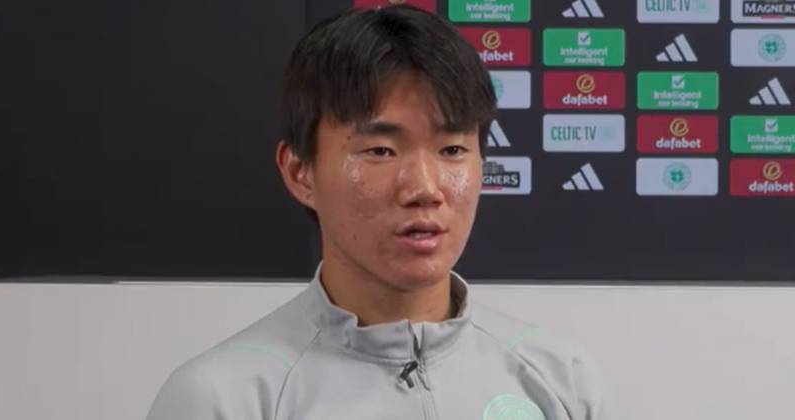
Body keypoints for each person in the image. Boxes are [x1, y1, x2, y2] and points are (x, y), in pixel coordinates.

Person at [146, 5, 608, 420]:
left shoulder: (561, 380)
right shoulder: (225, 399)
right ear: (301, 172)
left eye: (451, 149)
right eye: (381, 151)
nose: (424, 189)